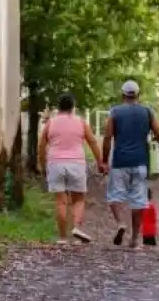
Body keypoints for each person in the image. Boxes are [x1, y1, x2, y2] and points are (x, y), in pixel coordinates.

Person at [103, 79, 159, 249]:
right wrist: (150, 142)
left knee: (114, 196)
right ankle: (135, 239)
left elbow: (108, 137)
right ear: (138, 95)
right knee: (139, 200)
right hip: (141, 162)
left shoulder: (114, 112)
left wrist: (103, 160)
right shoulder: (147, 111)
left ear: (123, 95)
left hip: (119, 161)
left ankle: (120, 224)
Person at [37, 92, 108, 244]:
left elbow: (41, 145)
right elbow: (93, 142)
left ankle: (62, 237)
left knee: (61, 202)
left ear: (59, 107)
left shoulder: (51, 123)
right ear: (73, 107)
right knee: (79, 199)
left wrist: (43, 165)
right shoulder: (81, 122)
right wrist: (100, 162)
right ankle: (76, 227)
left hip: (55, 163)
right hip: (76, 163)